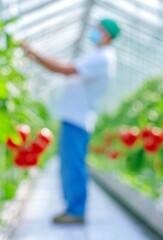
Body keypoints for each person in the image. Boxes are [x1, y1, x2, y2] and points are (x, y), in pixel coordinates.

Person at [21, 18, 119, 224]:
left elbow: (64, 69)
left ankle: (76, 211)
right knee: (70, 164)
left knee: (73, 165)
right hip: (75, 117)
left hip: (78, 119)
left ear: (107, 35)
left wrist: (34, 54)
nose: (94, 32)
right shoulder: (97, 56)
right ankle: (73, 208)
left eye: (99, 30)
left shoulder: (103, 57)